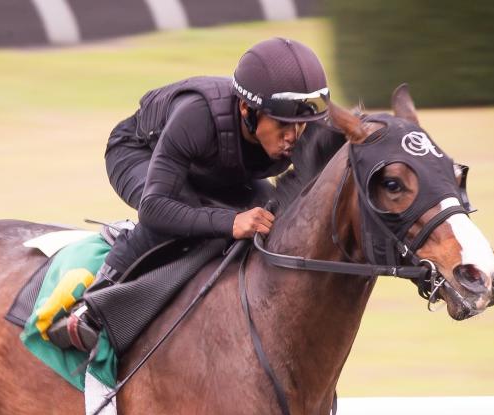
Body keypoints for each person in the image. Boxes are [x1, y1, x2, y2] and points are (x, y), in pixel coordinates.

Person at [47, 37, 332, 352]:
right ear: (246, 110)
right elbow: (155, 209)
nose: (294, 137)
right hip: (139, 154)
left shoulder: (303, 128)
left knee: (269, 218)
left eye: (303, 125)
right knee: (182, 218)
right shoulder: (196, 115)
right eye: (281, 124)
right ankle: (90, 310)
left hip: (215, 170)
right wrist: (230, 222)